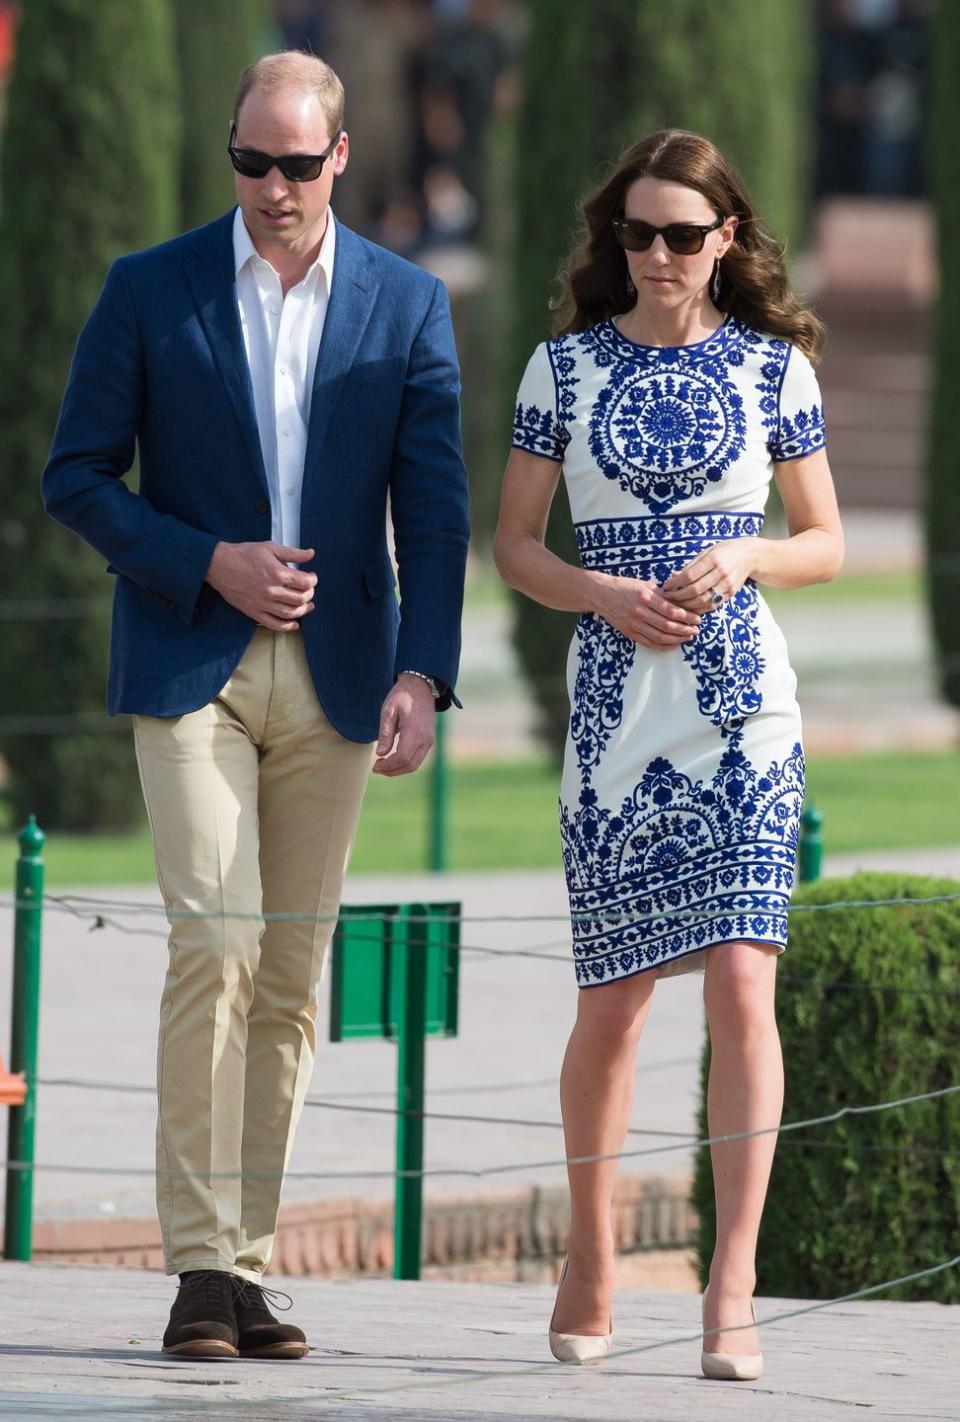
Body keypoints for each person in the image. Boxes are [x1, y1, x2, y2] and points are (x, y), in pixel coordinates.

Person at [42, 50, 469, 1359]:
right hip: (189, 664)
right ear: (232, 152)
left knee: (289, 975)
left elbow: (437, 509)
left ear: (342, 157)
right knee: (213, 940)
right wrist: (203, 556)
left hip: (340, 675)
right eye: (251, 161)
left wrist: (422, 670)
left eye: (297, 163)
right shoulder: (150, 289)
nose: (273, 187)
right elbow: (77, 478)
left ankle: (244, 1265)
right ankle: (193, 1267)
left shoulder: (407, 305)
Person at [494, 129, 842, 1379]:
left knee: (746, 980)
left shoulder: (772, 371)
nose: (656, 256)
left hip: (743, 703)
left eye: (682, 236)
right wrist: (599, 591)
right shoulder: (563, 370)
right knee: (618, 1001)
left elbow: (826, 542)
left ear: (726, 240)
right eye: (636, 234)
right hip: (614, 709)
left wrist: (746, 555)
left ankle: (732, 1286)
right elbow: (516, 549)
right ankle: (590, 1253)